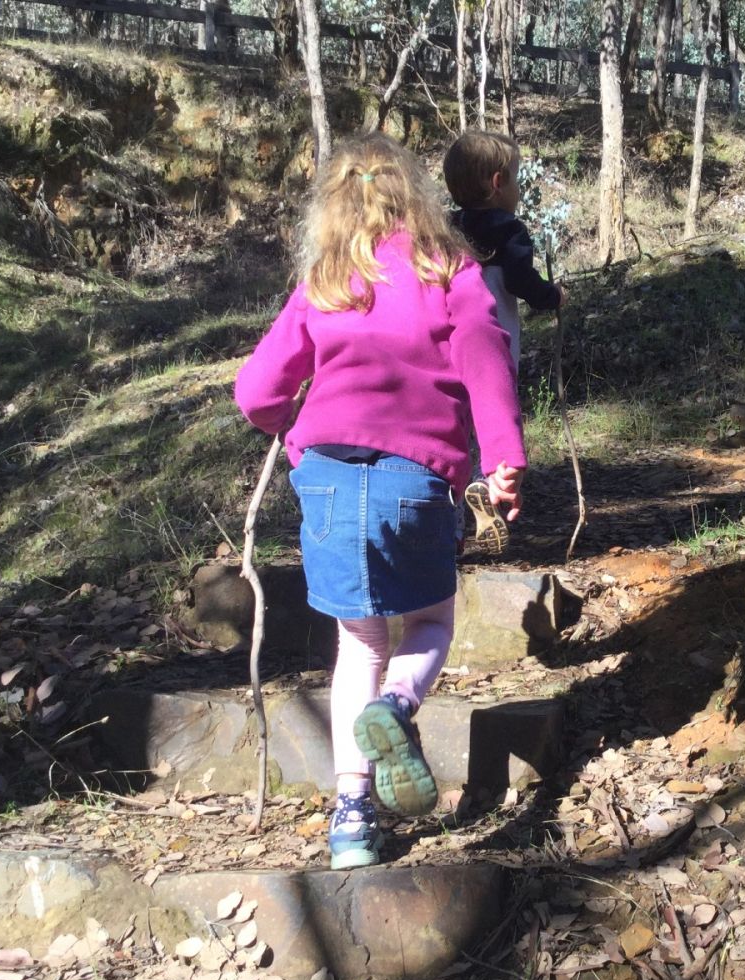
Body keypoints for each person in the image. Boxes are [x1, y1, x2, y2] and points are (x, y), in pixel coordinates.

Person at [234, 133, 526, 870]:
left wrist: (292, 434)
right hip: (415, 477)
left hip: (327, 476)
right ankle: (394, 707)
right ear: (417, 196)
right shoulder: (449, 270)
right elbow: (486, 360)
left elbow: (257, 392)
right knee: (429, 623)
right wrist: (503, 460)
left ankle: (353, 820)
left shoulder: (327, 280)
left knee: (357, 641)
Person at [442, 129, 564, 556]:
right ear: (497, 182)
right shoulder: (508, 229)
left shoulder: (445, 228)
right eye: (514, 178)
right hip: (492, 346)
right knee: (488, 417)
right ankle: (485, 481)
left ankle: (450, 529)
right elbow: (520, 279)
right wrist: (551, 296)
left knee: (453, 429)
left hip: (446, 347)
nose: (516, 188)